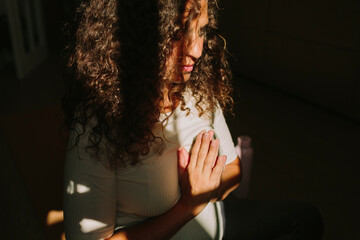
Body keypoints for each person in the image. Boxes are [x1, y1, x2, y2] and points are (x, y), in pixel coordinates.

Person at [62, 0, 324, 239]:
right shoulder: (97, 123)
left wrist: (204, 188)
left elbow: (233, 170)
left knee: (306, 219)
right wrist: (188, 205)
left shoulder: (197, 89)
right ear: (137, 34)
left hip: (218, 224)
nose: (197, 50)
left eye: (201, 31)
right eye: (179, 33)